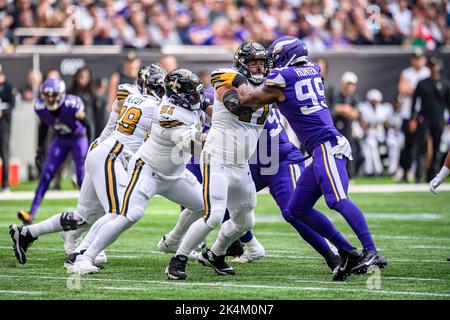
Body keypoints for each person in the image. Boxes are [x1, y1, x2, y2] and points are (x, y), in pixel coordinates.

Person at [227, 36, 387, 281]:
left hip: (327, 145)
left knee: (337, 199)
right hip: (317, 150)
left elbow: (249, 99)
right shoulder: (312, 69)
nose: (271, 64)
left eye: (274, 58)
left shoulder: (285, 77)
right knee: (297, 209)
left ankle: (372, 251)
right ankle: (346, 252)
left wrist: (234, 81)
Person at [9, 64, 166, 266]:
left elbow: (116, 123)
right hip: (112, 154)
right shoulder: (151, 105)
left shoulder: (130, 95)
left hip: (101, 149)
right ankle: (83, 254)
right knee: (120, 212)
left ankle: (27, 233)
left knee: (82, 216)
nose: (161, 90)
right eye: (159, 86)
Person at [72, 69, 207, 275]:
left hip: (174, 174)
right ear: (178, 95)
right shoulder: (167, 112)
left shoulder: (190, 105)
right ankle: (85, 257)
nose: (198, 98)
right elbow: (193, 147)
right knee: (129, 215)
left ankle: (173, 241)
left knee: (202, 205)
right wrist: (219, 140)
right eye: (192, 94)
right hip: (148, 170)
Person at [17, 78, 90, 224]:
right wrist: (39, 148)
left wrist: (91, 146)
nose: (49, 98)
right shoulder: (40, 106)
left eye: (53, 95)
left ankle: (89, 213)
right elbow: (43, 127)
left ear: (61, 94)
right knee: (46, 174)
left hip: (78, 139)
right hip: (60, 139)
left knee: (82, 178)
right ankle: (31, 213)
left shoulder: (71, 105)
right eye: (47, 95)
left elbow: (89, 124)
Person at [411, 57, 450, 182]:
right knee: (421, 147)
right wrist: (413, 118)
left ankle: (432, 174)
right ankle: (418, 174)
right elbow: (414, 102)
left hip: (438, 120)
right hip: (424, 119)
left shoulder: (445, 84)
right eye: (431, 66)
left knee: (437, 146)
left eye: (435, 66)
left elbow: (449, 104)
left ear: (439, 67)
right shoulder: (422, 83)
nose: (433, 68)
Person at [397, 50, 430, 182]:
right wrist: (420, 90)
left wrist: (413, 90)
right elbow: (402, 89)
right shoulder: (407, 73)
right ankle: (405, 172)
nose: (417, 61)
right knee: (407, 145)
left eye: (420, 58)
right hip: (407, 112)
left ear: (424, 59)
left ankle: (420, 173)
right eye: (415, 58)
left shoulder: (427, 72)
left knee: (422, 145)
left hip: (423, 113)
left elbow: (428, 93)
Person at [333, 71, 361, 177]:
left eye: (353, 85)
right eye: (349, 84)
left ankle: (350, 174)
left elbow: (354, 113)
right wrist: (343, 109)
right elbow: (333, 108)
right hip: (336, 127)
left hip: (348, 128)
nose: (351, 87)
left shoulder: (354, 98)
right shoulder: (336, 95)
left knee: (349, 149)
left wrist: (344, 110)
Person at [0, 64, 16, 193]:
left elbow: (12, 105)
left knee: (4, 154)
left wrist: (2, 111)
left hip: (4, 125)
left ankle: (5, 184)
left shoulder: (9, 87)